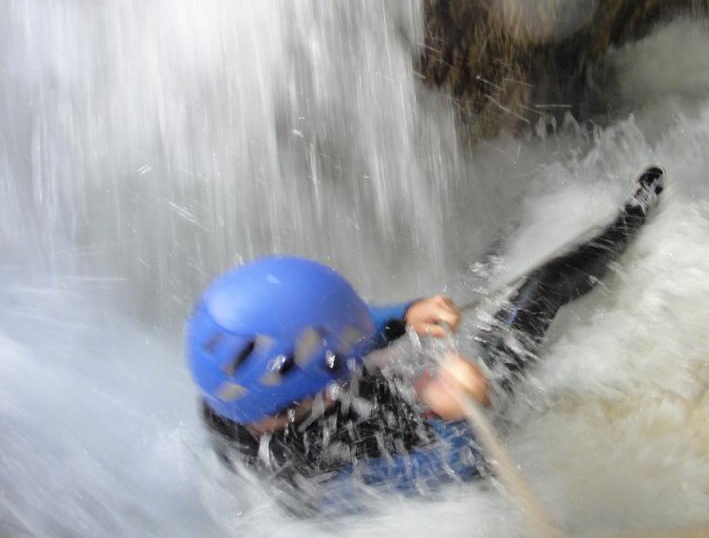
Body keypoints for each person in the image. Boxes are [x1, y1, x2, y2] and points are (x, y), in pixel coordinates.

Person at [186, 166, 664, 496]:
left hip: (378, 409)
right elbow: (441, 480)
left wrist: (404, 314)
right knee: (539, 291)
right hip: (439, 440)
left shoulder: (242, 396)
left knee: (483, 274)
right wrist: (455, 413)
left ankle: (520, 227)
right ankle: (636, 214)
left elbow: (332, 338)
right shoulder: (302, 470)